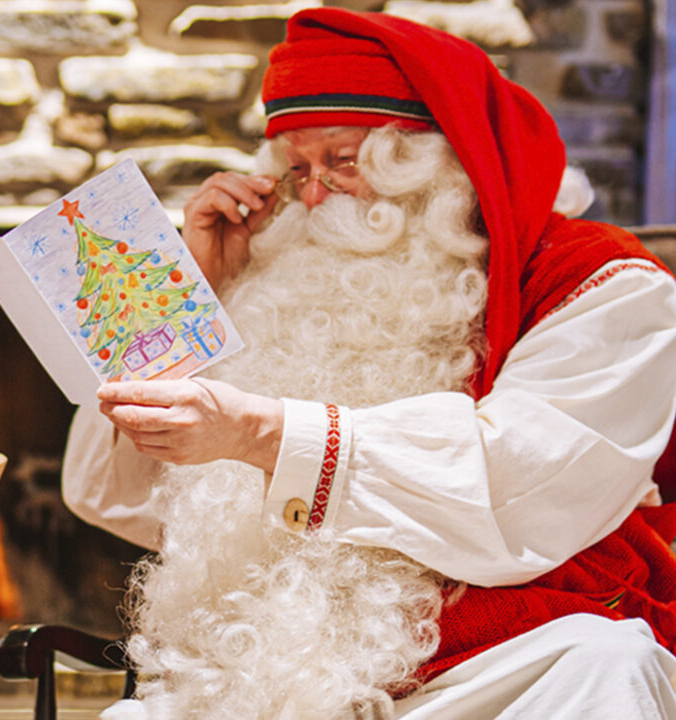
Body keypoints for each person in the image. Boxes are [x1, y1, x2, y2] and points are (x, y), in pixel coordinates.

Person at [63, 8, 676, 719]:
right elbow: (113, 498)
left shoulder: (602, 285)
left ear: (438, 167)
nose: (317, 196)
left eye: (343, 162)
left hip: (499, 668)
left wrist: (266, 435)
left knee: (603, 668)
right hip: (286, 679)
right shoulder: (276, 277)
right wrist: (195, 297)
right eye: (298, 170)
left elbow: (518, 488)